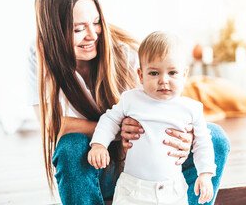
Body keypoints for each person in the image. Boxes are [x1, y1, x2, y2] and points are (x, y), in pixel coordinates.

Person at [31, 0, 230, 205]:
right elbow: (52, 125)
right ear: (53, 31)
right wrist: (115, 131)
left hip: (151, 168)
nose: (92, 35)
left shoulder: (126, 52)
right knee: (70, 146)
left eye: (96, 22)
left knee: (215, 138)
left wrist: (188, 137)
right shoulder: (39, 56)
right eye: (78, 29)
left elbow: (166, 108)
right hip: (100, 164)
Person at [88, 31, 216, 205]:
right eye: (154, 73)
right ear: (140, 75)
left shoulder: (191, 108)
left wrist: (206, 174)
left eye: (172, 73)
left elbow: (203, 143)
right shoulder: (131, 99)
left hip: (173, 191)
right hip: (133, 190)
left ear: (184, 74)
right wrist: (99, 144)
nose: (163, 80)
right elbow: (109, 120)